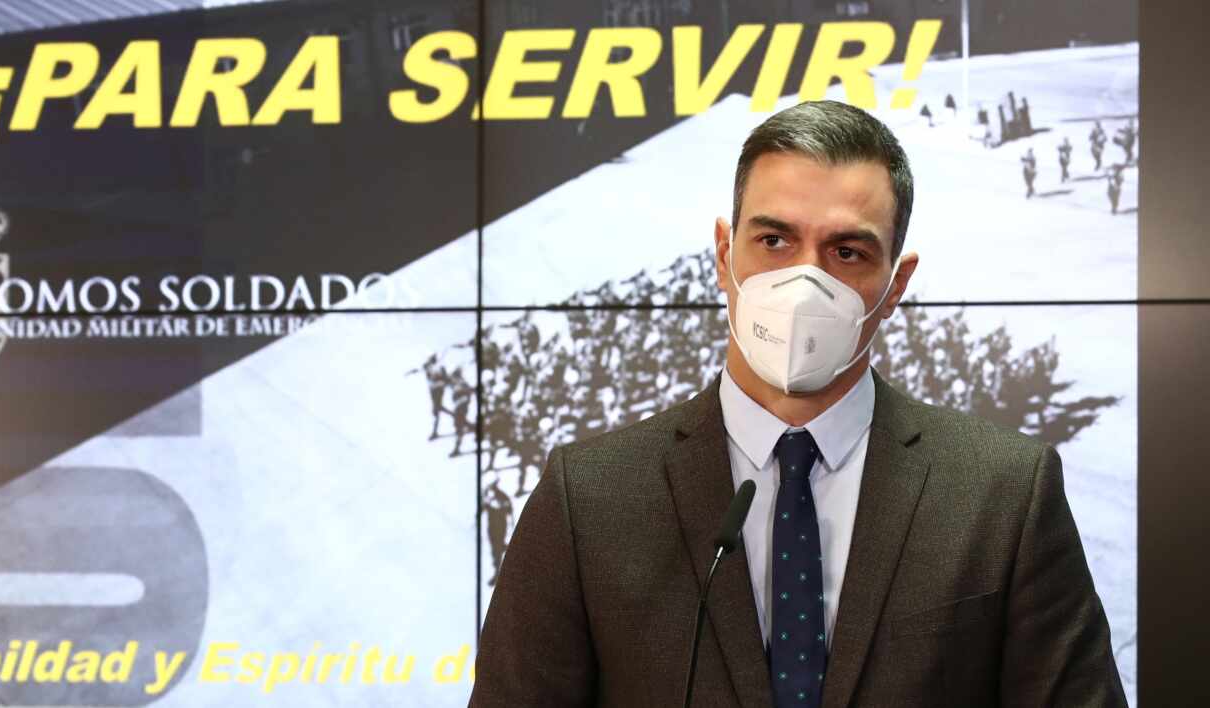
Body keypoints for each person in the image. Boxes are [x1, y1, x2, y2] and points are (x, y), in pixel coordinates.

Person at [469, 100, 1126, 707]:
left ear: (895, 284)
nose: (804, 282)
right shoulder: (588, 498)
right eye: (775, 241)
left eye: (846, 251)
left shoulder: (1004, 494)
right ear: (726, 255)